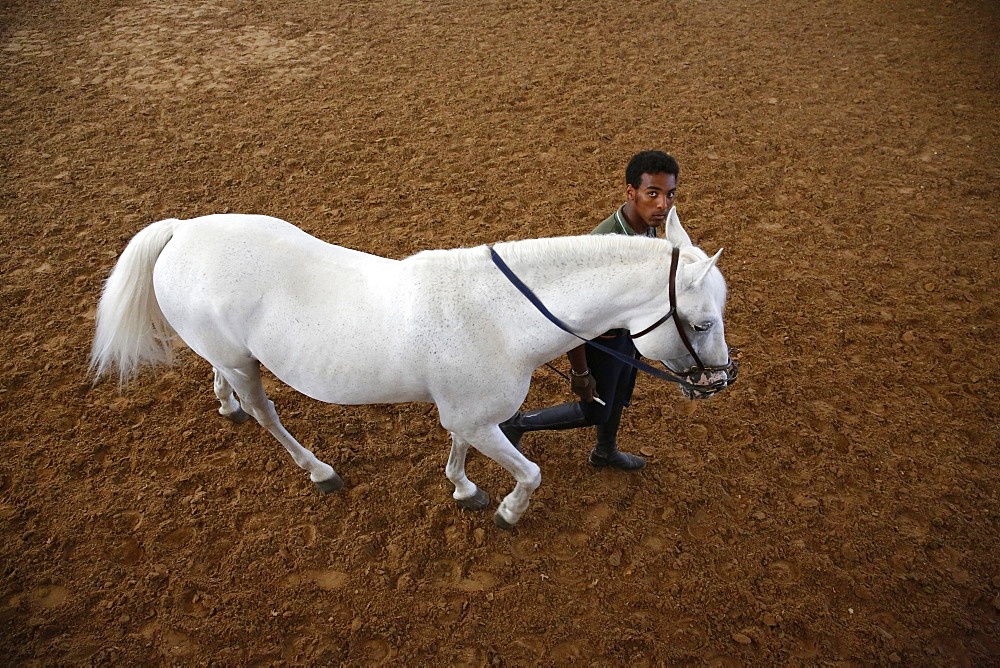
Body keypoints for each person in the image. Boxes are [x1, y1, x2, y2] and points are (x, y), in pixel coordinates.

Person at [500, 150, 680, 470]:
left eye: (669, 195)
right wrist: (580, 372)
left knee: (620, 394)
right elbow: (573, 317)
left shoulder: (646, 228)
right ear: (631, 192)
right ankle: (517, 424)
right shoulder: (602, 249)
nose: (662, 205)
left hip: (627, 333)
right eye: (652, 193)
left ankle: (605, 451)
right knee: (596, 408)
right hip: (602, 342)